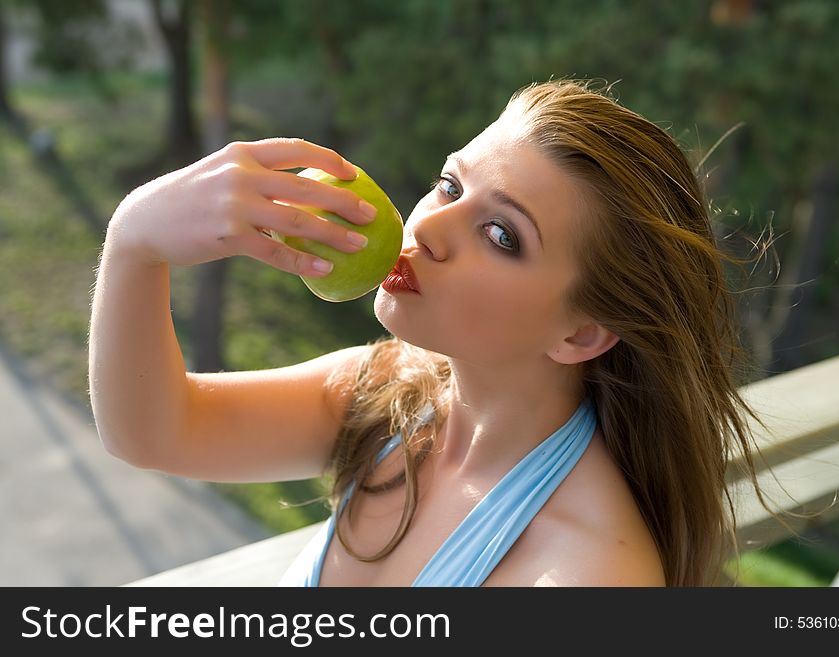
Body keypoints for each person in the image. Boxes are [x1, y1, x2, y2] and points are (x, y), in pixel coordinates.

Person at [88, 78, 780, 587]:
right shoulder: (390, 395)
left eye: (501, 234)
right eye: (451, 186)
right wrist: (134, 241)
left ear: (583, 332)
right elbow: (153, 431)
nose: (426, 227)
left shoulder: (588, 573)